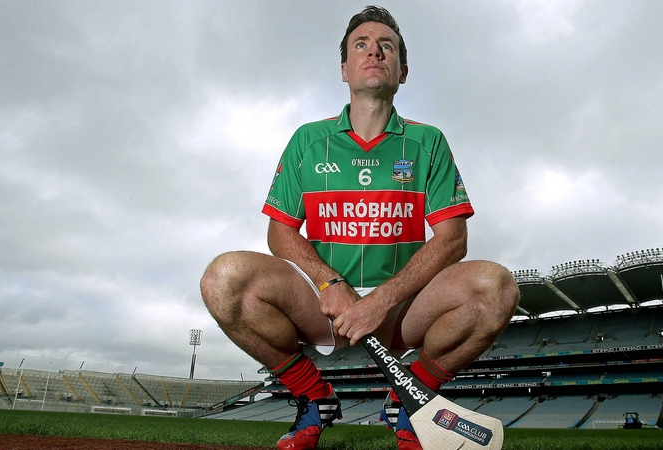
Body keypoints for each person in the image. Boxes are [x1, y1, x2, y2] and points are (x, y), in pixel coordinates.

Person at [200, 5, 519, 450]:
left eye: (386, 46)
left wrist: (383, 300)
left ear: (402, 71)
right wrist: (329, 283)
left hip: (402, 311)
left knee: (496, 287)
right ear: (345, 69)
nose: (374, 52)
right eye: (361, 45)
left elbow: (453, 239)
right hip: (325, 306)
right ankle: (314, 397)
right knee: (223, 280)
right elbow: (280, 233)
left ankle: (409, 399)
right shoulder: (307, 141)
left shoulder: (427, 142)